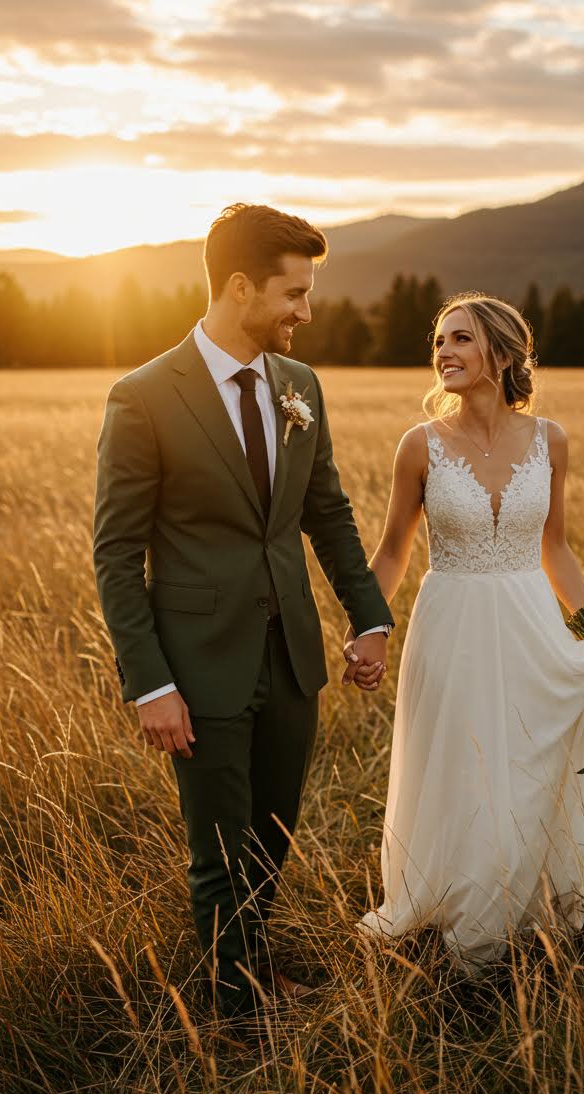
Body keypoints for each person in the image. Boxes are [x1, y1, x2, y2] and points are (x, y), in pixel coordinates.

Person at [92, 203, 393, 1025]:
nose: (306, 311)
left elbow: (326, 515)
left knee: (270, 836)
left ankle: (253, 968)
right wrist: (149, 683)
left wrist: (369, 616)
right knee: (218, 851)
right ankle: (237, 1010)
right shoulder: (144, 397)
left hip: (290, 655)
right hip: (197, 666)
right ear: (238, 287)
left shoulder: (300, 387)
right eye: (294, 293)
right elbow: (116, 557)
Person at [345, 292, 584, 974]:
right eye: (440, 341)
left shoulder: (551, 440)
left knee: (527, 762)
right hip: (451, 624)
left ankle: (527, 901)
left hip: (531, 622)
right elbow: (392, 550)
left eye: (461, 340)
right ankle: (466, 915)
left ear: (501, 356)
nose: (443, 352)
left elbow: (556, 549)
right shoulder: (419, 446)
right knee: (464, 765)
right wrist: (368, 627)